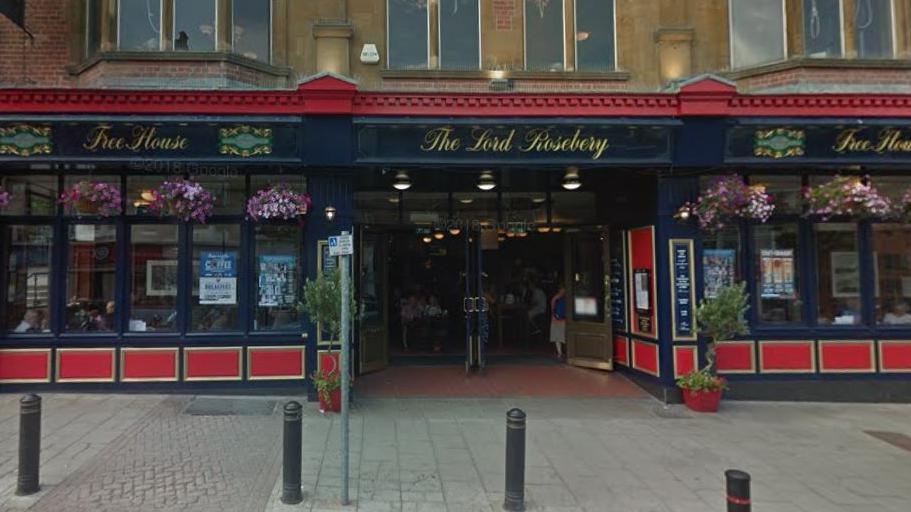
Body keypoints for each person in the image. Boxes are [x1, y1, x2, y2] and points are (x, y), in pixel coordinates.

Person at [549, 285, 566, 359]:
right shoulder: (567, 298)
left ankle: (560, 353)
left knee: (558, 338)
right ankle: (561, 353)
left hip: (556, 320)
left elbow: (552, 309)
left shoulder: (555, 298)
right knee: (561, 337)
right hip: (563, 320)